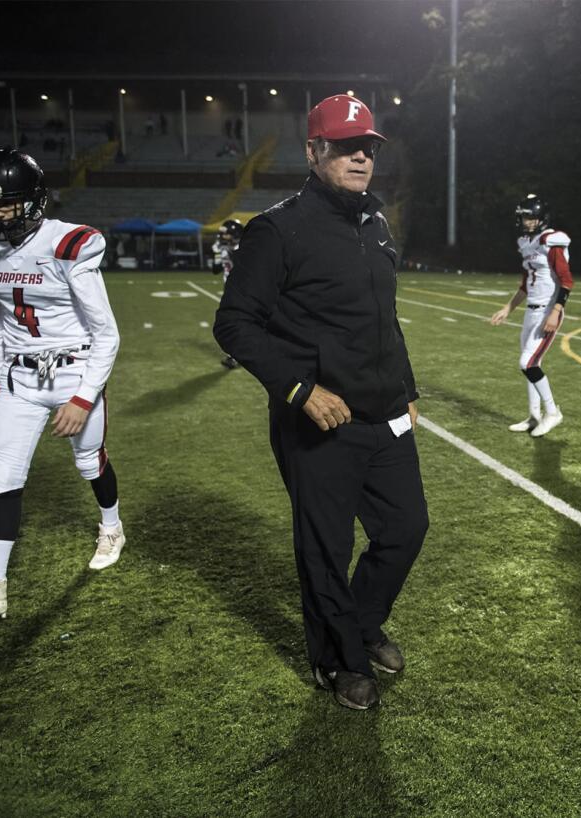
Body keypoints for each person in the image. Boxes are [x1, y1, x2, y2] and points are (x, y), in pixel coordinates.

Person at [213, 94, 427, 711]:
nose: (361, 156)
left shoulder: (376, 223)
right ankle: (338, 660)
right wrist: (300, 389)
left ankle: (359, 623)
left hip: (384, 414)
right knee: (326, 549)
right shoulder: (277, 230)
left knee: (406, 529)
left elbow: (385, 321)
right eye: (345, 146)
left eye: (369, 147)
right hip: (319, 418)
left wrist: (406, 389)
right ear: (314, 152)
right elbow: (235, 324)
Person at [0, 149, 125, 620]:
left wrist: (82, 397)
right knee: (4, 473)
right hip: (19, 377)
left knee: (88, 460)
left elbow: (106, 334)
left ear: (34, 201)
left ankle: (112, 525)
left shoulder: (68, 244)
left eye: (7, 204)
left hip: (74, 370)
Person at [489, 194, 573, 437]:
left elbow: (567, 281)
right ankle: (534, 416)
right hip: (531, 310)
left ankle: (552, 412)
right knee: (530, 364)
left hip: (548, 310)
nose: (525, 221)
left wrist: (555, 312)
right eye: (523, 216)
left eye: (529, 216)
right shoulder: (528, 242)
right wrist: (508, 308)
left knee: (528, 363)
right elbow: (526, 283)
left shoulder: (551, 240)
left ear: (540, 218)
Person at [212, 218, 244, 369]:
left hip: (242, 290)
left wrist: (227, 251)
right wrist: (217, 255)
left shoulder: (242, 248)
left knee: (235, 324)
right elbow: (215, 270)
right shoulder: (224, 248)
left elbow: (240, 264)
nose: (223, 237)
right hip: (230, 291)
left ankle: (234, 356)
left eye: (226, 235)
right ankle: (234, 355)